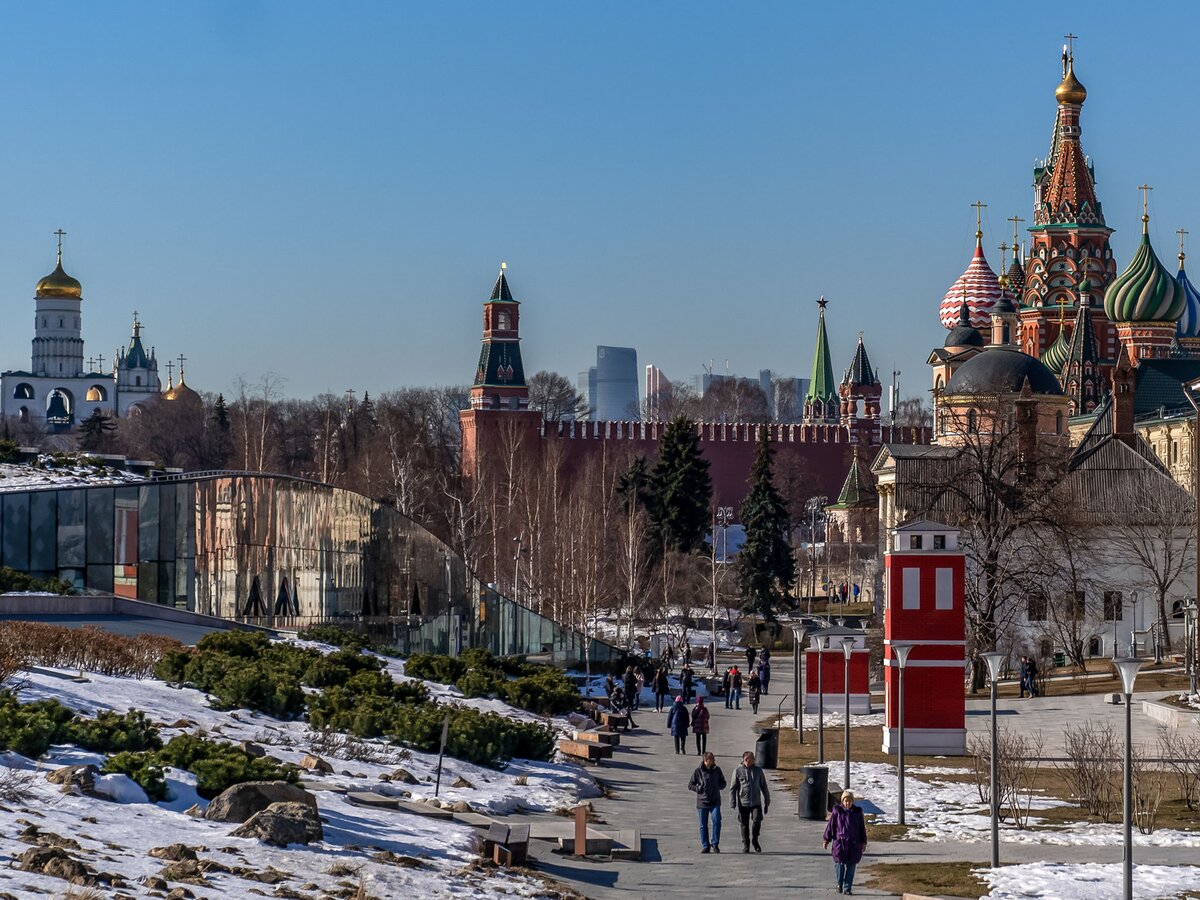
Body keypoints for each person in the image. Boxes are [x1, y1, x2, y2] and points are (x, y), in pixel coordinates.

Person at [823, 789, 868, 894]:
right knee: (840, 864)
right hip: (840, 843)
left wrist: (863, 842)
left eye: (849, 801)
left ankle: (847, 887)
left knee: (851, 866)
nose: (847, 803)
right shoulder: (838, 812)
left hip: (854, 844)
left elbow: (862, 828)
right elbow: (831, 826)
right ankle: (840, 883)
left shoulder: (857, 813)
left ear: (852, 801)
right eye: (845, 801)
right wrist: (827, 839)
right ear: (842, 801)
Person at [729, 749, 770, 853]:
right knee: (744, 823)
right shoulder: (738, 771)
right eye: (747, 759)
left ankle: (755, 840)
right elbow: (733, 788)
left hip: (756, 802)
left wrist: (767, 801)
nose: (749, 761)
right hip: (743, 803)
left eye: (751, 760)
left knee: (757, 820)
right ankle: (746, 844)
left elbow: (763, 786)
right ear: (744, 760)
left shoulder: (758, 771)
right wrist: (732, 801)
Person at [688, 751, 726, 853]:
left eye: (714, 759)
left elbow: (723, 782)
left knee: (717, 821)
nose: (714, 761)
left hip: (715, 802)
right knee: (703, 825)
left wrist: (719, 786)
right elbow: (690, 785)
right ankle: (705, 845)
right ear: (706, 761)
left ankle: (715, 844)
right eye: (712, 759)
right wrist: (698, 788)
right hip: (702, 802)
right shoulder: (698, 771)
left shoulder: (717, 770)